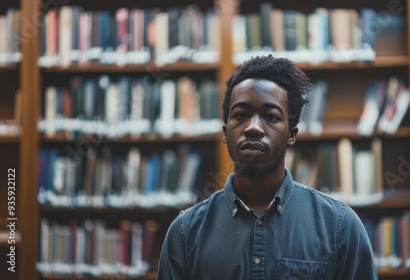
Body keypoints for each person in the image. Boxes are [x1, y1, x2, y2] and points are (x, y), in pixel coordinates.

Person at [157, 55, 377, 280]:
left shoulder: (339, 225)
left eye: (270, 117)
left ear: (291, 135)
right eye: (241, 115)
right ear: (226, 132)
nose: (253, 128)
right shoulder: (186, 232)